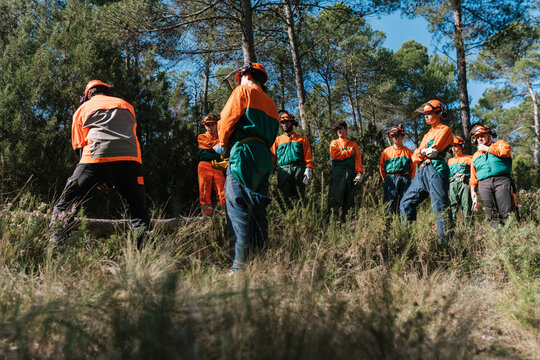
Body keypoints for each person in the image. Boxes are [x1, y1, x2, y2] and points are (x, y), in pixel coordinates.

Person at [49, 80, 151, 246]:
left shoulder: (82, 109)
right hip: (131, 160)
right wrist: (110, 177)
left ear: (87, 96)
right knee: (139, 214)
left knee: (65, 205)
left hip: (94, 158)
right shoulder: (127, 105)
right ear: (108, 92)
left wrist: (98, 175)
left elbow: (79, 148)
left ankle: (54, 250)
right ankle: (148, 256)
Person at [216, 63, 279, 273]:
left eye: (241, 76)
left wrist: (223, 143)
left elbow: (226, 119)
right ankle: (261, 263)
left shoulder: (242, 91)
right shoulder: (271, 103)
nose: (240, 79)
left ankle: (240, 267)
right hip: (263, 156)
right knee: (258, 209)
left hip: (243, 152)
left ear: (246, 75)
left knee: (238, 207)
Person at [400, 100, 454, 243]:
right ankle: (406, 240)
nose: (425, 116)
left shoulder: (445, 129)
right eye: (424, 114)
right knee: (406, 202)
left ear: (438, 113)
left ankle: (446, 244)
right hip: (422, 171)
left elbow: (434, 151)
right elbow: (415, 156)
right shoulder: (427, 134)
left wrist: (422, 152)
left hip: (436, 169)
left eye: (429, 113)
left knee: (440, 206)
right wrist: (423, 152)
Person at [469, 124, 517, 227]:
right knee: (491, 213)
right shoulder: (475, 156)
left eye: (482, 135)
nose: (480, 138)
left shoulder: (500, 144)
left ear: (489, 135)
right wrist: (473, 191)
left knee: (506, 211)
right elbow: (473, 176)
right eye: (477, 137)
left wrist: (487, 149)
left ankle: (512, 236)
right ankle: (498, 236)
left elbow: (506, 151)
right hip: (483, 184)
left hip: (502, 180)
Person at [270, 110, 314, 208]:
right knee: (284, 197)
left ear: (292, 123)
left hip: (299, 169)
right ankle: (288, 218)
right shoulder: (277, 140)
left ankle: (302, 218)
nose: (285, 125)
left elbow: (308, 155)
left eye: (287, 122)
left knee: (300, 196)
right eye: (282, 123)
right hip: (283, 170)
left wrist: (309, 168)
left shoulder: (302, 139)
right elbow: (272, 158)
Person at [328, 120, 364, 221]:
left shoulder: (354, 145)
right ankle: (333, 224)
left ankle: (348, 225)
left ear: (346, 129)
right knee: (335, 199)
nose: (339, 131)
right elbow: (335, 156)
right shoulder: (334, 143)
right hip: (338, 172)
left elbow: (358, 160)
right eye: (337, 129)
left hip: (352, 173)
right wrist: (348, 152)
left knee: (349, 200)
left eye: (341, 128)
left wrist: (359, 173)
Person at [379, 125, 415, 214]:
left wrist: (409, 179)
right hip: (390, 179)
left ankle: (406, 225)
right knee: (389, 203)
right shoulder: (386, 152)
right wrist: (386, 180)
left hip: (405, 179)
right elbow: (381, 167)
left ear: (402, 136)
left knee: (406, 202)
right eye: (393, 136)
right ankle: (390, 225)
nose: (395, 138)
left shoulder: (408, 152)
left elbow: (413, 168)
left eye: (397, 136)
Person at [197, 114, 226, 216]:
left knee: (222, 189)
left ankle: (225, 213)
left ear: (216, 125)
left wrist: (215, 150)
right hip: (204, 165)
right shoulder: (201, 137)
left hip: (217, 165)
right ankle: (206, 215)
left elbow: (221, 151)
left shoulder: (220, 137)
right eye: (208, 125)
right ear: (204, 126)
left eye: (213, 124)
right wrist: (218, 147)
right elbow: (219, 149)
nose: (210, 127)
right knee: (204, 189)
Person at [447, 136, 473, 223]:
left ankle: (468, 229)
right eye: (452, 146)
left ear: (461, 146)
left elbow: (474, 173)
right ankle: (452, 229)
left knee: (467, 205)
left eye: (456, 145)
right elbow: (448, 174)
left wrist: (466, 175)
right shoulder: (450, 161)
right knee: (452, 207)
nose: (453, 148)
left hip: (465, 184)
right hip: (453, 184)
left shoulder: (470, 158)